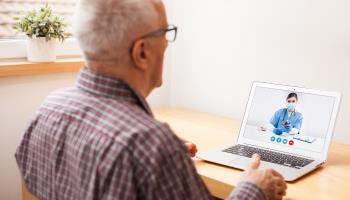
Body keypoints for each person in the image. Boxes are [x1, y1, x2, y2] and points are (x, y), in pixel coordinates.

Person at [15, 0, 287, 199]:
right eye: (165, 33)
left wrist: (161, 158)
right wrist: (254, 189)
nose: (168, 43)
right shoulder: (150, 144)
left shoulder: (50, 108)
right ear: (142, 52)